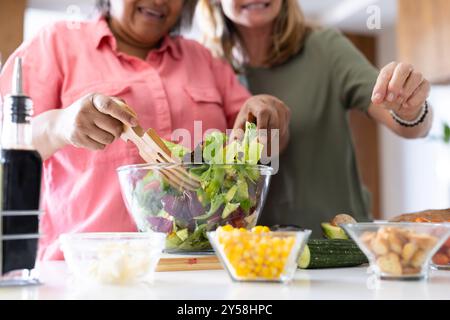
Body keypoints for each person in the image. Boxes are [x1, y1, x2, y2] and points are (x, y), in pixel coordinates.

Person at [0, 0, 290, 260]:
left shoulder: (203, 59)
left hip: (202, 269)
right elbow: (6, 141)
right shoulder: (56, 43)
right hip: (91, 269)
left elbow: (263, 147)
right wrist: (59, 125)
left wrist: (266, 117)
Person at [198, 0, 433, 236]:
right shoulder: (205, 68)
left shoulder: (326, 48)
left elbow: (407, 123)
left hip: (342, 251)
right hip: (253, 255)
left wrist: (411, 109)